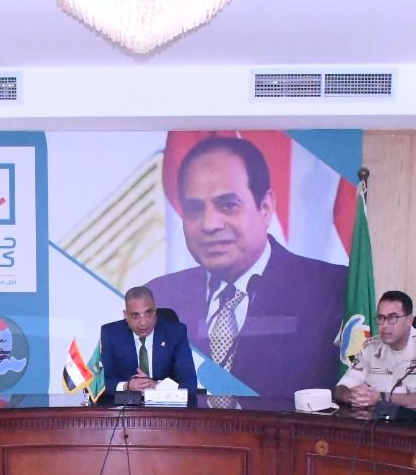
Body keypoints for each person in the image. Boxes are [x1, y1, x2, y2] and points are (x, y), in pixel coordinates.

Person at [143, 136, 347, 399]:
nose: (209, 224)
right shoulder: (160, 297)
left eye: (228, 205)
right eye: (194, 209)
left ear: (265, 207)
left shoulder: (329, 289)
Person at [332, 291, 416, 409]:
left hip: (414, 419)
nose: (385, 325)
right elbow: (340, 389)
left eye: (393, 318)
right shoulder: (370, 347)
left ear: (409, 320)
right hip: (374, 418)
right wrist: (352, 396)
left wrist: (382, 397)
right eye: (381, 318)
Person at [98, 286, 198, 396]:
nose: (143, 323)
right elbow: (101, 382)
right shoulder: (111, 334)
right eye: (135, 315)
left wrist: (157, 386)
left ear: (155, 311)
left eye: (148, 313)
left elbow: (190, 383)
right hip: (126, 405)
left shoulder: (175, 333)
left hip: (165, 405)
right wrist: (126, 386)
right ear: (125, 315)